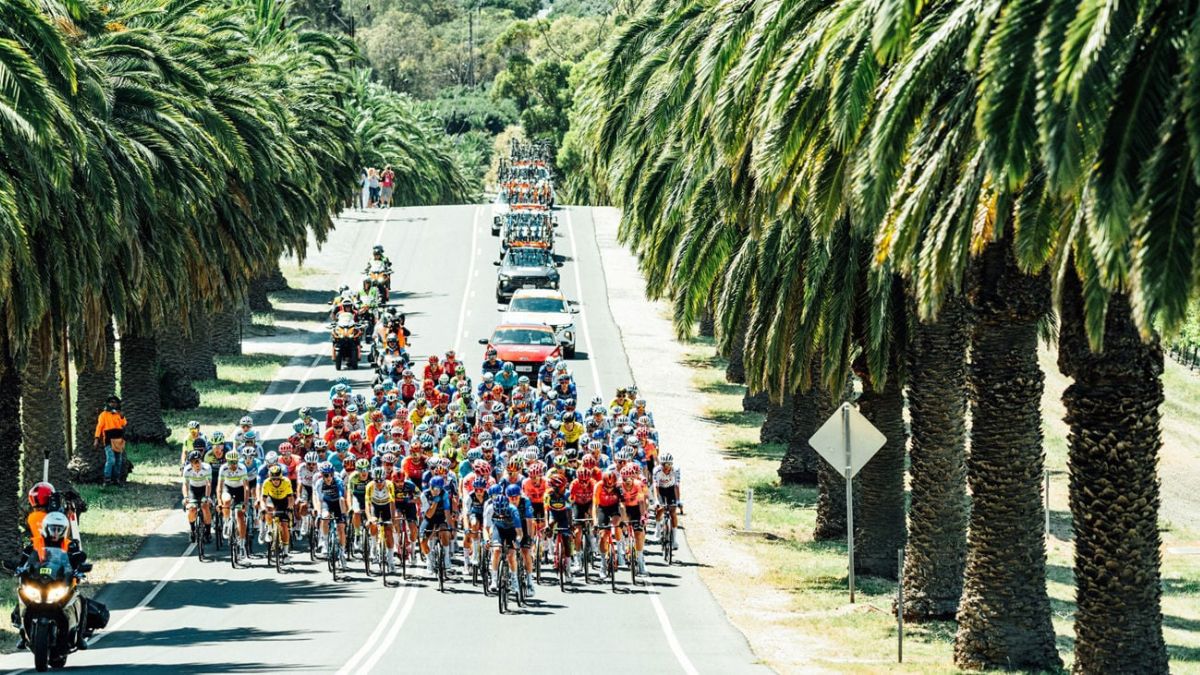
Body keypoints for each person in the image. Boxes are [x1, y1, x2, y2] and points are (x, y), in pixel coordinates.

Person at [258, 465, 294, 560]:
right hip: (272, 499)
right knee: (268, 510)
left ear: (281, 477)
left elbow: (290, 498)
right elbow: (263, 499)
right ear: (270, 478)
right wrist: (263, 508)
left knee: (284, 526)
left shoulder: (286, 482)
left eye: (277, 479)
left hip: (283, 500)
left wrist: (290, 507)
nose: (275, 481)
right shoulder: (266, 483)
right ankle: (269, 530)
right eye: (273, 479)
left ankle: (285, 553)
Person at [93, 396, 127, 486]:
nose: (113, 404)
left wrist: (122, 416)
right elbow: (99, 427)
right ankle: (107, 479)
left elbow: (124, 424)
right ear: (108, 403)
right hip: (108, 440)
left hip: (119, 440)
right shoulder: (103, 415)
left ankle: (116, 480)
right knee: (111, 460)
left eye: (115, 402)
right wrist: (96, 439)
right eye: (111, 402)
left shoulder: (118, 414)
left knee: (118, 461)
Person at [182, 451, 213, 543]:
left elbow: (208, 484)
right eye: (195, 462)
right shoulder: (187, 470)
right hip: (193, 490)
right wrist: (186, 497)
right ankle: (192, 530)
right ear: (191, 463)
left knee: (205, 506)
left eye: (198, 461)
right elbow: (185, 484)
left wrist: (207, 497)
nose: (197, 464)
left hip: (204, 489)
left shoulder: (207, 468)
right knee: (192, 509)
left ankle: (208, 531)